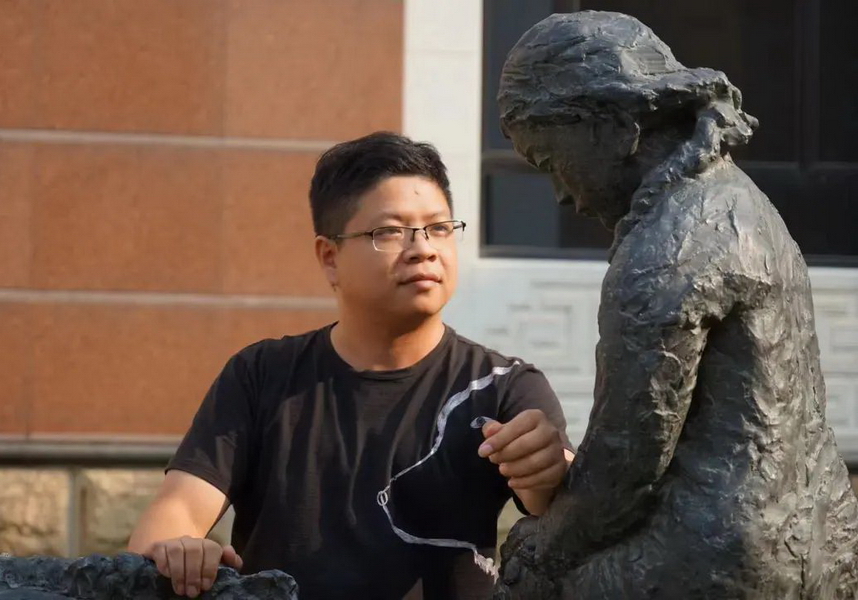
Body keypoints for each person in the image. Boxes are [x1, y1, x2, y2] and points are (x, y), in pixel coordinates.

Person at [494, 11, 858, 599]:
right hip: (826, 539)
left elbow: (623, 469)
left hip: (718, 560)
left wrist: (538, 548)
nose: (561, 194)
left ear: (614, 128)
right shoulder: (744, 204)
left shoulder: (665, 249)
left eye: (551, 162)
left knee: (526, 570)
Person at [127, 132, 574, 600]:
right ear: (330, 257)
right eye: (390, 232)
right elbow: (176, 513)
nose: (424, 248)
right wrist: (178, 551)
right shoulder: (261, 377)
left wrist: (549, 471)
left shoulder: (503, 388)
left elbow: (570, 507)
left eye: (440, 228)